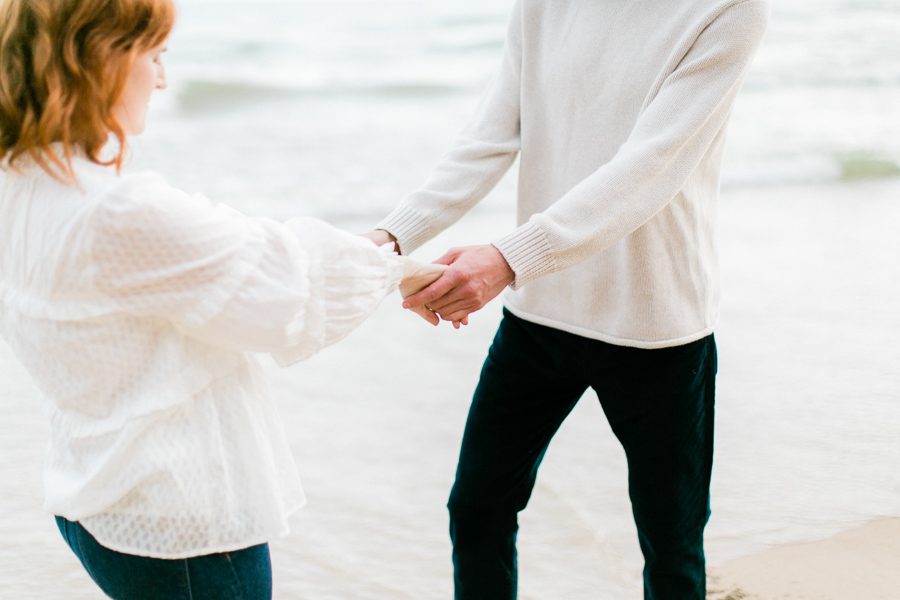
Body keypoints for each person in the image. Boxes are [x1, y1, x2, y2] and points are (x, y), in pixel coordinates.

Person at [0, 1, 443, 598]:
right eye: (154, 56)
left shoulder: (17, 182)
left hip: (94, 495)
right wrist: (404, 266)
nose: (161, 79)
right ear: (99, 58)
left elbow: (236, 259)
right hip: (175, 521)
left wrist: (388, 263)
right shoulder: (116, 213)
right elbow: (285, 296)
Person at [364, 0, 770, 597]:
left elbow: (650, 166)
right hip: (540, 316)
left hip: (658, 330)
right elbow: (492, 134)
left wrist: (507, 259)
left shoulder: (730, 10)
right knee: (475, 510)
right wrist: (385, 241)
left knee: (671, 544)